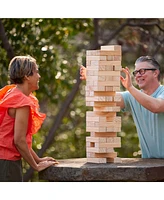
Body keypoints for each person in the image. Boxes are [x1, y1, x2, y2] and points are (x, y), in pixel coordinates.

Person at [80, 55, 164, 159]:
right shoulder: (132, 96)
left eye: (142, 71)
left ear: (155, 73)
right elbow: (107, 99)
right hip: (150, 165)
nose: (137, 75)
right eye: (136, 72)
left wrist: (130, 87)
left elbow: (156, 106)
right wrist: (93, 79)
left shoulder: (161, 93)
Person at [0, 55, 58, 182]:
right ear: (27, 76)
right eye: (36, 72)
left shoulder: (12, 94)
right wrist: (36, 166)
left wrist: (38, 159)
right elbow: (19, 140)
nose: (39, 76)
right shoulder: (21, 102)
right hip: (7, 164)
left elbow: (19, 140)